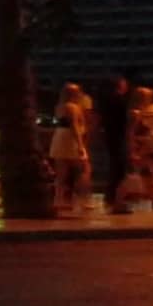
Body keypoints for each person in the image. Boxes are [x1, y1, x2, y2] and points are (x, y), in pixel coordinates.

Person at [48, 82, 92, 212]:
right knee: (83, 169)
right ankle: (83, 199)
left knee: (61, 172)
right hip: (70, 139)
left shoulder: (60, 107)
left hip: (60, 137)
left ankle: (58, 199)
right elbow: (75, 126)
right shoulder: (73, 107)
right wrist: (80, 144)